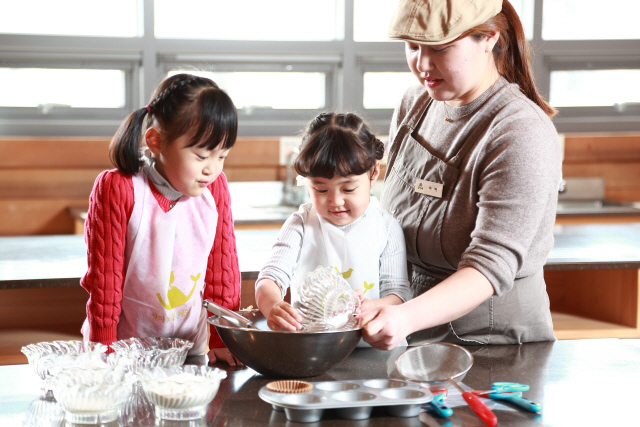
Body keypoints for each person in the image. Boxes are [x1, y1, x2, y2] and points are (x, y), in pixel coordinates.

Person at [357, 0, 562, 349]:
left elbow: (489, 265)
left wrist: (404, 317)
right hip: (410, 322)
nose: (421, 64)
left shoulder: (519, 130)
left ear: (489, 38)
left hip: (489, 341)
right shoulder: (416, 103)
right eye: (412, 46)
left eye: (439, 48)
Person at [80, 73, 242, 365]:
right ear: (156, 141)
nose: (212, 169)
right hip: (123, 351)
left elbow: (222, 269)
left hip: (190, 348)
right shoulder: (120, 188)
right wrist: (102, 349)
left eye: (222, 157)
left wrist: (221, 337)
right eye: (202, 155)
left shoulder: (215, 189)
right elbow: (105, 280)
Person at [255, 112, 412, 334]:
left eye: (348, 189)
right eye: (320, 189)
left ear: (373, 174)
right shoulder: (300, 224)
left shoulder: (386, 228)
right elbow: (271, 277)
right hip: (314, 348)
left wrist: (373, 306)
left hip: (373, 345)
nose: (335, 201)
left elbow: (398, 294)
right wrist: (273, 305)